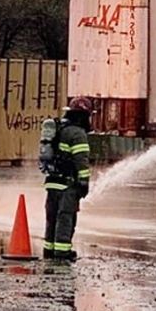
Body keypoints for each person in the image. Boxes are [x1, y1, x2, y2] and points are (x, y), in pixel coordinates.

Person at [43, 96, 92, 261]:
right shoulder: (78, 134)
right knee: (65, 217)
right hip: (68, 184)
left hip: (52, 182)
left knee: (52, 217)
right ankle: (62, 252)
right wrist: (84, 182)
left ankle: (48, 250)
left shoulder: (60, 128)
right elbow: (81, 160)